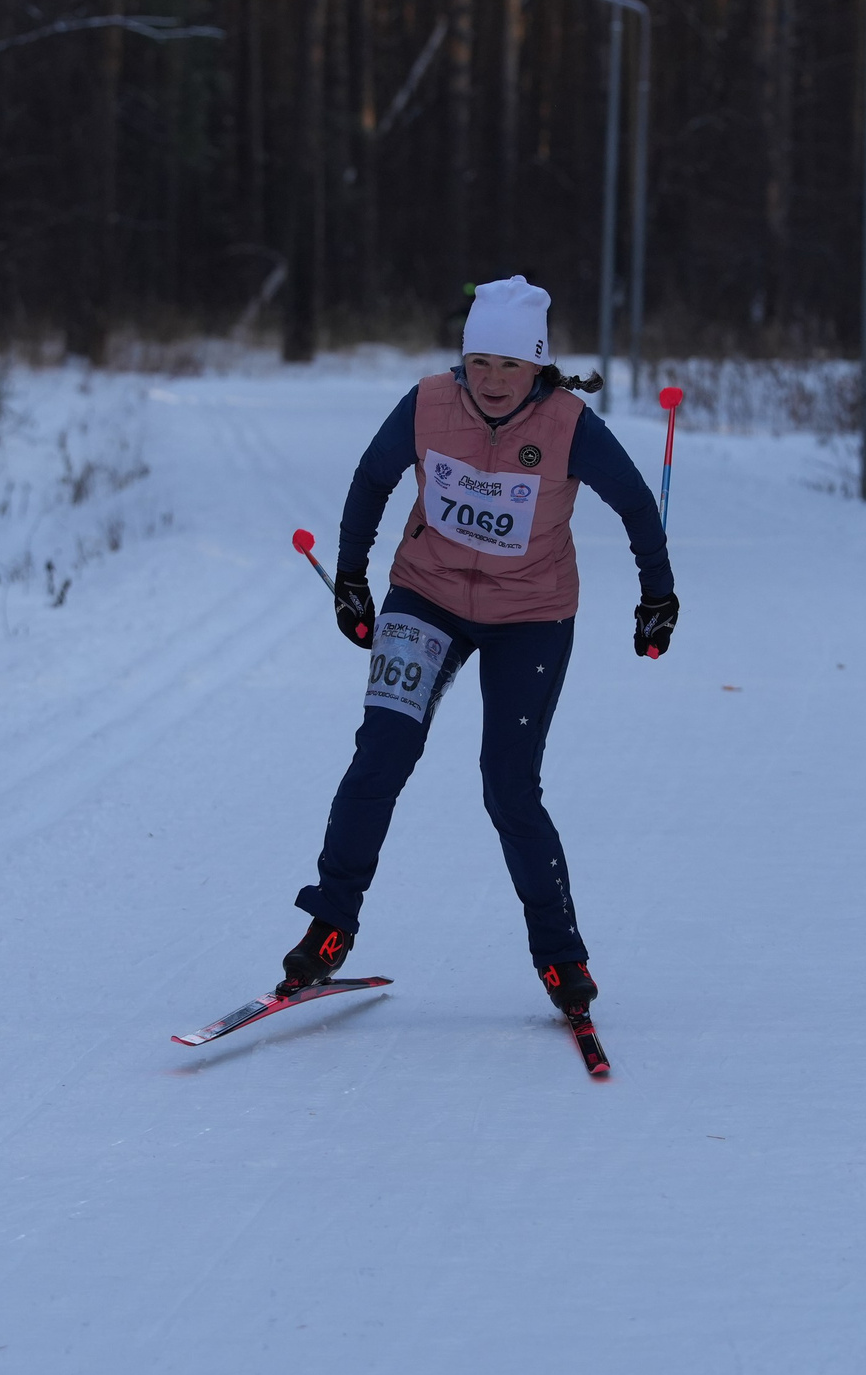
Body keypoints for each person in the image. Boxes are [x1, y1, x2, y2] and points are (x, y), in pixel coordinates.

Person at [282, 275, 678, 1019]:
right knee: (382, 753)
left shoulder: (567, 424)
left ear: (538, 366)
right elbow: (371, 480)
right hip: (425, 596)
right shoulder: (430, 402)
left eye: (511, 365)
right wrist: (350, 578)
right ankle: (330, 925)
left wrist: (657, 594)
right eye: (480, 363)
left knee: (509, 783)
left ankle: (562, 958)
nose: (493, 381)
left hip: (530, 613)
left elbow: (634, 503)